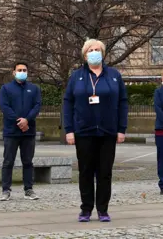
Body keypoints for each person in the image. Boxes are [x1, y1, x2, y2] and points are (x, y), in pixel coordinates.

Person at [63, 39, 128, 223]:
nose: (94, 52)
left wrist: (121, 129)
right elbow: (68, 103)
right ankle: (86, 209)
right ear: (85, 55)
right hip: (84, 132)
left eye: (97, 49)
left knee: (104, 172)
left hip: (108, 132)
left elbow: (123, 102)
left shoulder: (114, 75)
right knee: (86, 172)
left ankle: (103, 209)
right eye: (90, 50)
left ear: (103, 53)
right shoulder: (77, 76)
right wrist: (69, 130)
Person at [0, 62, 42, 201]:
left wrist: (27, 120)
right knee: (8, 162)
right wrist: (19, 121)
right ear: (13, 72)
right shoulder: (6, 88)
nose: (22, 72)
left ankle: (28, 189)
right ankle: (6, 190)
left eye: (24, 70)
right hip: (11, 132)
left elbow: (37, 106)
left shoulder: (34, 89)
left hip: (28, 131)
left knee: (28, 162)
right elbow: (5, 107)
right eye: (19, 70)